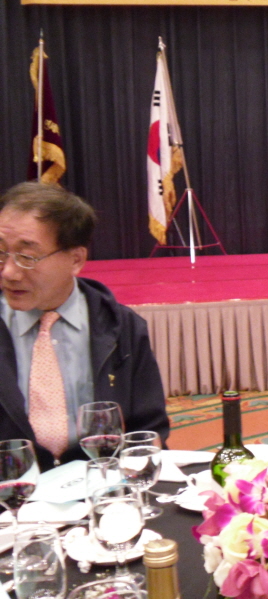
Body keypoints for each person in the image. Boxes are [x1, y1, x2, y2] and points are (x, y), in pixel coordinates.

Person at [0, 182, 169, 470]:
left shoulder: (122, 327)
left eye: (26, 257)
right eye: (2, 252)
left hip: (103, 483)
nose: (9, 272)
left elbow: (147, 431)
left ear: (76, 259)